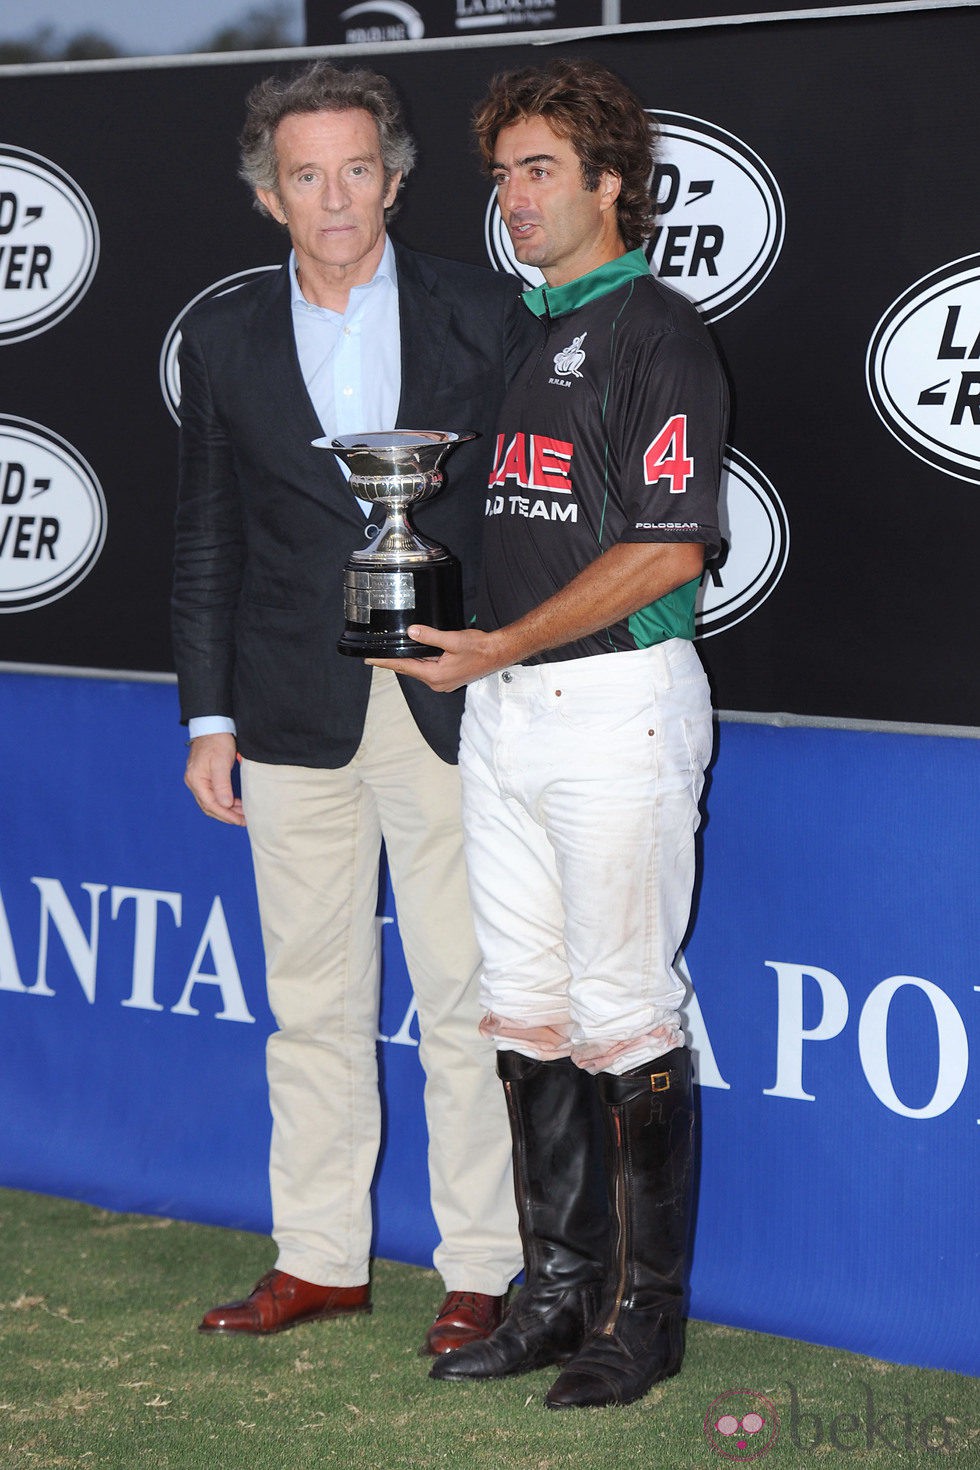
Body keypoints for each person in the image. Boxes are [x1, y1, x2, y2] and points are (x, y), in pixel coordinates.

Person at [370, 59, 729, 1407]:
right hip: (508, 714)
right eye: (502, 175)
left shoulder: (657, 330)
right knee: (523, 1011)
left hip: (615, 709)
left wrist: (507, 644)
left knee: (627, 1012)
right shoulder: (524, 331)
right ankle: (559, 1290)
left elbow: (669, 548)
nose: (512, 200)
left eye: (539, 172)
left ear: (608, 182)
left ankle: (649, 1317)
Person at [171, 60, 532, 1355]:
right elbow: (208, 534)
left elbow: (526, 518)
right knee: (310, 999)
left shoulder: (483, 314)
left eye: (357, 168)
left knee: (466, 994)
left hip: (446, 698)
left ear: (395, 174)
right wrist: (205, 718)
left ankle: (484, 1264)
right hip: (285, 709)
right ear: (270, 195)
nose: (335, 197)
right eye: (306, 175)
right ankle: (319, 1255)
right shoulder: (220, 337)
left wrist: (508, 661)